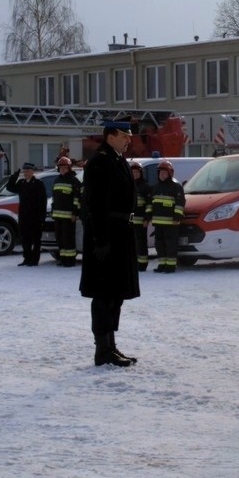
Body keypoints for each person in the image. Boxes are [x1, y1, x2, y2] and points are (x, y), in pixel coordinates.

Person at [79, 121, 140, 367]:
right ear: (111, 136)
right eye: (124, 136)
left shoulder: (115, 158)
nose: (129, 140)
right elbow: (97, 205)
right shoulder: (100, 161)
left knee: (116, 293)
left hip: (120, 233)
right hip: (107, 236)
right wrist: (101, 240)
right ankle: (102, 350)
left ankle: (111, 347)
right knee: (105, 294)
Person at [146, 160, 185, 273]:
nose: (162, 175)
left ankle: (171, 266)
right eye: (160, 173)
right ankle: (162, 264)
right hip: (158, 223)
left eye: (164, 173)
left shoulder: (176, 187)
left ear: (170, 173)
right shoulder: (155, 188)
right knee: (159, 245)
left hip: (171, 223)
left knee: (170, 245)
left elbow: (180, 203)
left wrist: (177, 217)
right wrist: (148, 217)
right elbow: (150, 204)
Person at [6, 163, 48, 266]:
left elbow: (43, 201)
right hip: (24, 216)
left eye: (28, 171)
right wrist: (15, 176)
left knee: (36, 239)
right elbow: (9, 187)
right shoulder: (21, 183)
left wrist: (42, 216)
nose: (26, 173)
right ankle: (27, 258)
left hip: (35, 216)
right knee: (25, 239)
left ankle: (34, 260)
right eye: (24, 171)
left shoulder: (38, 183)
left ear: (33, 172)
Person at [51, 156, 81, 267]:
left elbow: (77, 199)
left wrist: (75, 213)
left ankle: (70, 260)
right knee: (60, 238)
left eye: (65, 167)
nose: (63, 169)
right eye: (61, 167)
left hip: (69, 216)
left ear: (69, 168)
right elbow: (54, 198)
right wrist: (53, 212)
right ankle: (63, 258)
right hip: (57, 215)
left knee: (68, 238)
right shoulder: (57, 180)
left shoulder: (74, 181)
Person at [129, 161, 152, 271]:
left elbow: (149, 205)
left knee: (141, 242)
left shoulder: (145, 187)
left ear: (141, 173)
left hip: (141, 220)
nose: (135, 174)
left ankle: (142, 264)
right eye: (133, 172)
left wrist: (147, 219)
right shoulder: (128, 185)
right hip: (131, 220)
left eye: (137, 172)